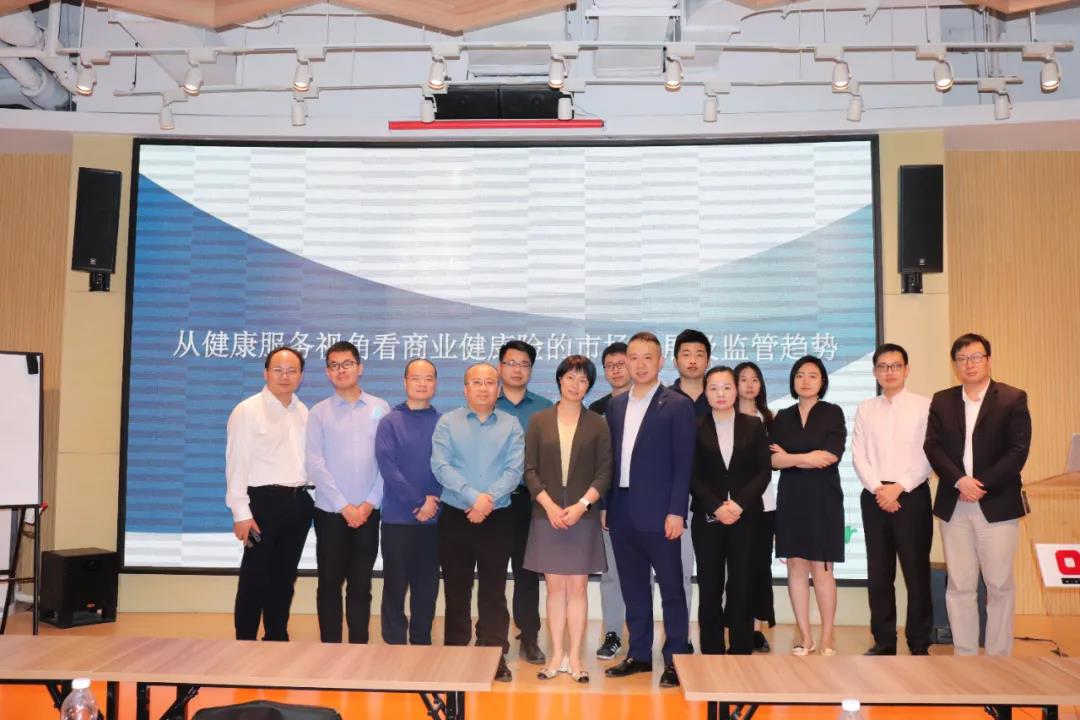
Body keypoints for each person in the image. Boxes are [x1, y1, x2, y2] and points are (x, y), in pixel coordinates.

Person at [924, 333, 1031, 656]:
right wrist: (960, 481)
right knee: (960, 585)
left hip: (997, 503)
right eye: (962, 359)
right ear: (955, 365)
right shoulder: (942, 400)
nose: (969, 364)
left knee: (999, 584)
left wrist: (979, 483)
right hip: (954, 503)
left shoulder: (1012, 398)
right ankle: (965, 655)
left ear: (988, 360)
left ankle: (999, 657)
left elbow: (1018, 450)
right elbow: (932, 446)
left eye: (976, 357)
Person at [603, 331, 696, 688]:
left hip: (661, 513)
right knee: (633, 587)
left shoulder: (677, 404)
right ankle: (639, 653)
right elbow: (611, 461)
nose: (640, 365)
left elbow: (683, 463)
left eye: (647, 357)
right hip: (622, 508)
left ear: (660, 362)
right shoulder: (616, 406)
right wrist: (607, 505)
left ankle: (676, 658)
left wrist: (677, 512)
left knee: (672, 588)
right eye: (633, 357)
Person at [431, 363, 524, 682]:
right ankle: (456, 653)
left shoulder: (511, 424)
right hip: (456, 517)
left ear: (498, 389)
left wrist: (487, 501)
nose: (483, 388)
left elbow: (514, 470)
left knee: (493, 591)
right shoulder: (448, 422)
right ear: (465, 388)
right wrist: (473, 497)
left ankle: (493, 655)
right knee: (456, 589)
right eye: (476, 382)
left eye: (489, 383)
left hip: (498, 518)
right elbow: (440, 466)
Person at [523, 355, 612, 683]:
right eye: (571, 378)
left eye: (583, 380)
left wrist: (581, 506)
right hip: (546, 515)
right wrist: (548, 505)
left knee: (577, 588)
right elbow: (529, 470)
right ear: (560, 379)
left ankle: (575, 657)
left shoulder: (598, 423)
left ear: (590, 386)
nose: (576, 385)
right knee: (554, 589)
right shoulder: (539, 420)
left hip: (581, 518)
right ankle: (555, 655)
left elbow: (604, 472)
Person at [226, 345, 312, 642]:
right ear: (266, 373)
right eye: (278, 370)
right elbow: (236, 464)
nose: (284, 376)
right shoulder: (247, 410)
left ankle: (276, 636)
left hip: (298, 503)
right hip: (261, 504)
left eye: (292, 371)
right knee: (255, 576)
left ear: (301, 376)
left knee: (285, 577)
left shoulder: (304, 412)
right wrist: (241, 512)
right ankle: (245, 639)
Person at [852, 343, 933, 656]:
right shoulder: (865, 408)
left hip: (911, 495)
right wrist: (878, 488)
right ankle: (884, 641)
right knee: (879, 574)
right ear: (875, 372)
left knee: (916, 573)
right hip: (875, 496)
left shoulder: (925, 406)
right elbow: (859, 454)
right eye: (883, 367)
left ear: (906, 370)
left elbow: (929, 453)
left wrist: (899, 487)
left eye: (895, 366)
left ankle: (919, 642)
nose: (889, 372)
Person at [306, 340, 389, 644]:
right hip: (330, 513)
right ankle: (330, 649)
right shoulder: (319, 412)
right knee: (329, 584)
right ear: (328, 372)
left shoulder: (381, 408)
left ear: (360, 368)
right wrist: (344, 506)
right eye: (334, 365)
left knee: (361, 585)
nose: (341, 370)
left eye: (347, 364)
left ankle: (358, 648)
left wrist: (369, 503)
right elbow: (314, 463)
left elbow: (387, 462)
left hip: (369, 512)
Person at [691, 366, 772, 655]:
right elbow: (691, 474)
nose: (721, 393)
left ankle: (740, 649)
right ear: (705, 392)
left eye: (726, 387)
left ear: (736, 391)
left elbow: (763, 472)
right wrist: (716, 506)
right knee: (710, 586)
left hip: (746, 517)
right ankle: (711, 650)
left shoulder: (753, 425)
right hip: (708, 519)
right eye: (713, 388)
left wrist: (738, 504)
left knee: (741, 585)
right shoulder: (695, 426)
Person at [770, 355, 846, 656]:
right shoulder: (782, 417)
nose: (805, 380)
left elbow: (830, 456)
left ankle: (827, 637)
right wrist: (806, 457)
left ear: (822, 381)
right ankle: (805, 636)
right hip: (791, 498)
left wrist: (791, 457)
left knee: (822, 569)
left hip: (824, 499)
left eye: (812, 375)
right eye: (800, 375)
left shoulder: (832, 412)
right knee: (796, 566)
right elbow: (774, 460)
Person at [375, 358, 442, 646]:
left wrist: (433, 501)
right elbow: (388, 468)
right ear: (405, 382)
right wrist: (418, 501)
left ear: (435, 384)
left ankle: (421, 641)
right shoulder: (389, 422)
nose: (422, 383)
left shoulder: (443, 423)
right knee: (394, 585)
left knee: (427, 587)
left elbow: (447, 466)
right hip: (397, 520)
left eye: (428, 378)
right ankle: (393, 643)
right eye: (416, 378)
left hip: (434, 520)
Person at [495, 340, 553, 666]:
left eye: (524, 364)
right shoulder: (488, 403)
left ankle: (529, 637)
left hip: (531, 501)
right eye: (511, 363)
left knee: (527, 572)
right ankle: (495, 639)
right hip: (494, 501)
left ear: (531, 369)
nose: (517, 369)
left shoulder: (545, 408)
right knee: (492, 572)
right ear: (500, 367)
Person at [668, 329, 712, 647]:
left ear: (708, 360)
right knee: (679, 573)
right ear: (675, 361)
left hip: (713, 497)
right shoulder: (664, 400)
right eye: (686, 354)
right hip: (676, 498)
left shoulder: (720, 396)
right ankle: (680, 638)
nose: (692, 360)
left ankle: (715, 638)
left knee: (715, 573)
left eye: (699, 354)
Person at [589, 341, 631, 660]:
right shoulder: (596, 409)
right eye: (610, 366)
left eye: (621, 364)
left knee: (646, 574)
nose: (616, 370)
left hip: (647, 503)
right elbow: (595, 464)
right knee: (612, 573)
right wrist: (602, 504)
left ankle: (642, 636)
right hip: (610, 503)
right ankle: (613, 633)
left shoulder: (652, 404)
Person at [734, 361, 776, 652]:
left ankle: (757, 629)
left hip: (764, 504)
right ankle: (737, 625)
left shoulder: (770, 419)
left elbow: (773, 461)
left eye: (755, 379)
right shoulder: (725, 417)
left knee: (760, 567)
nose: (749, 384)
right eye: (743, 379)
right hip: (732, 505)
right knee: (736, 570)